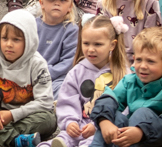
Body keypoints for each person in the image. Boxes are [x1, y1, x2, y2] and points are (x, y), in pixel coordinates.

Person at [0, 9, 56, 147]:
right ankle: (16, 141)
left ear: (29, 40)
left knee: (48, 120)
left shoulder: (38, 63)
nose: (9, 44)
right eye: (4, 38)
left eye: (16, 39)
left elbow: (45, 102)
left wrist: (13, 115)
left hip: (27, 116)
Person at [89, 27, 162, 147]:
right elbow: (109, 99)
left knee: (142, 113)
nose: (142, 66)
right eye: (139, 60)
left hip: (155, 140)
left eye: (150, 61)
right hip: (130, 137)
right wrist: (104, 121)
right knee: (115, 117)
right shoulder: (130, 80)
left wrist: (141, 132)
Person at [52, 15, 129, 147]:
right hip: (80, 126)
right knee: (62, 139)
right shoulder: (76, 72)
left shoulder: (124, 74)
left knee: (91, 143)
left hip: (105, 128)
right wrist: (70, 122)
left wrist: (98, 124)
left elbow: (126, 109)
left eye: (98, 44)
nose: (90, 49)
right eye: (86, 43)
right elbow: (67, 101)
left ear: (112, 45)